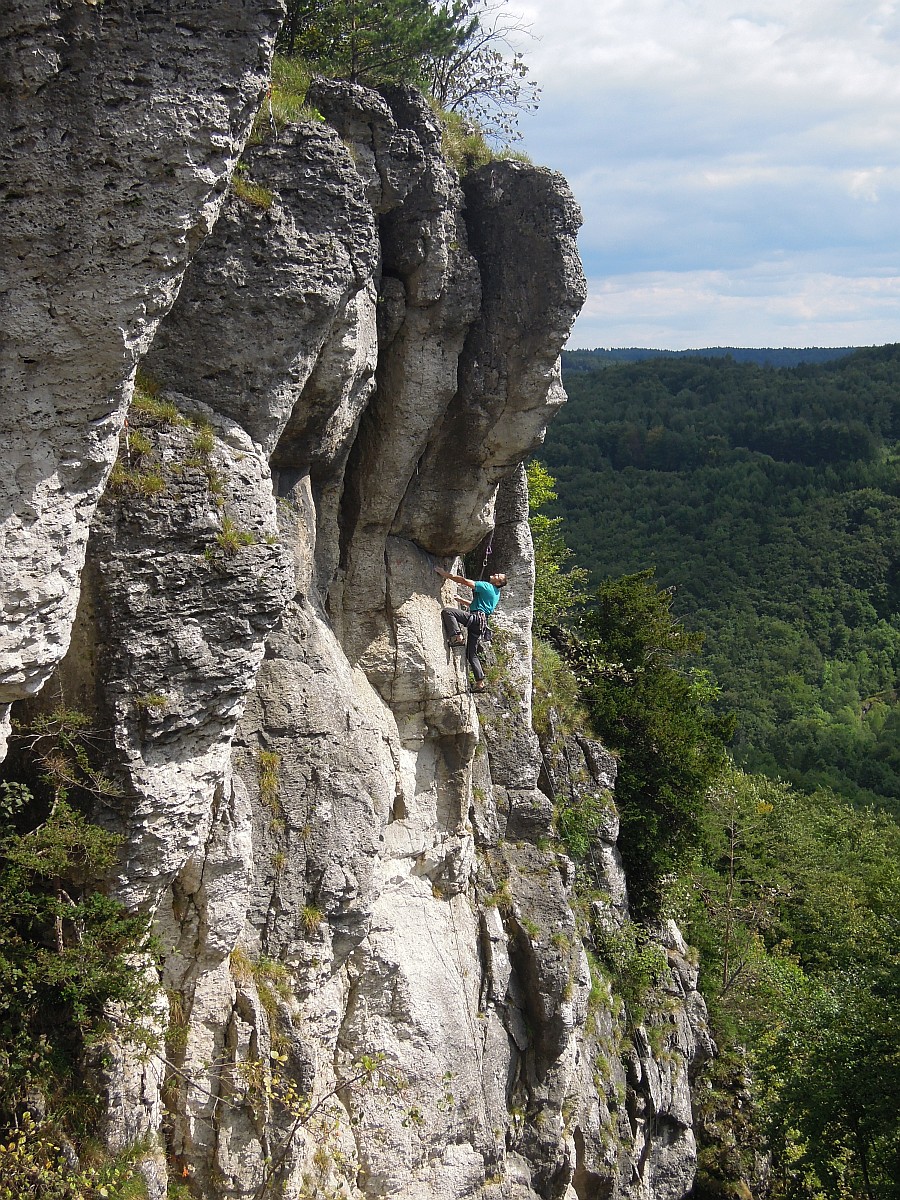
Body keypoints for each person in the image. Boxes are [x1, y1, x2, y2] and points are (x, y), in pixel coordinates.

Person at [436, 566, 508, 692]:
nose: (495, 574)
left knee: (448, 612)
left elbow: (464, 581)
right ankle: (480, 683)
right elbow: (478, 606)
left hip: (476, 619)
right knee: (471, 654)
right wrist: (461, 600)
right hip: (481, 623)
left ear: (498, 583)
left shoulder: (487, 586)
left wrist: (445, 574)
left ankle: (457, 636)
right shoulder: (496, 593)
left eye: (498, 576)